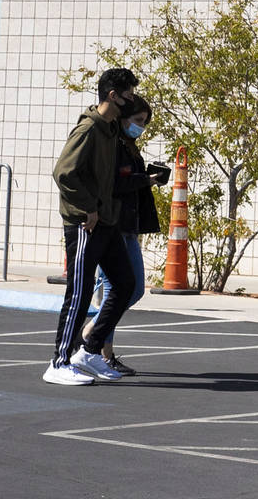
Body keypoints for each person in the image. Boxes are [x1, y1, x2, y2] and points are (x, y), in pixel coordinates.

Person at [44, 67, 140, 386]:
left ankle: (88, 350)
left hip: (107, 221)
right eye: (127, 95)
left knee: (125, 285)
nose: (132, 100)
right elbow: (63, 173)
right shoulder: (88, 129)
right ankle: (59, 361)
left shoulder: (112, 129)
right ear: (112, 95)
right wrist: (88, 207)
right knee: (80, 292)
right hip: (85, 222)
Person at [80, 94, 167, 376]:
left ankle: (103, 352)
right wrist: (145, 179)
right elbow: (115, 182)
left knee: (127, 289)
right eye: (138, 121)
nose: (141, 127)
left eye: (144, 122)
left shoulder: (129, 145)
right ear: (123, 117)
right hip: (113, 225)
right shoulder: (113, 144)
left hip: (128, 225)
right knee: (123, 289)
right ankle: (96, 343)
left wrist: (147, 178)